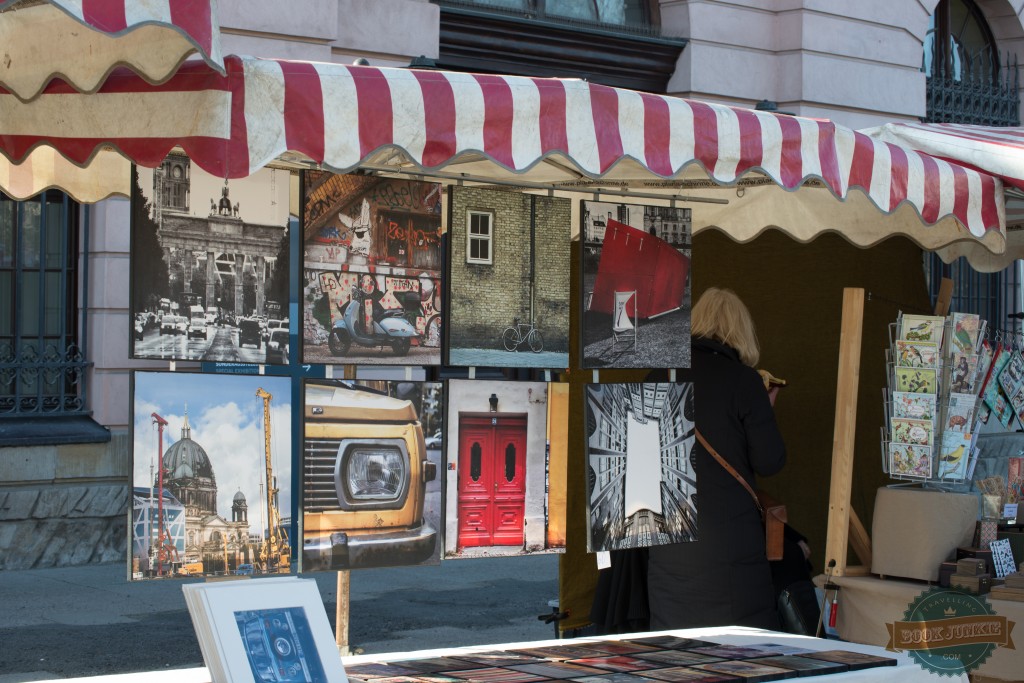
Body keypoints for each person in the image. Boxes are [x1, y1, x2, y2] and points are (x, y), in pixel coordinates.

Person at [647, 287, 787, 630]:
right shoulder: (745, 382)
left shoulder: (657, 376)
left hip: (669, 542)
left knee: (676, 651)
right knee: (738, 651)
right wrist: (765, 412)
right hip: (730, 546)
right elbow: (770, 461)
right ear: (740, 331)